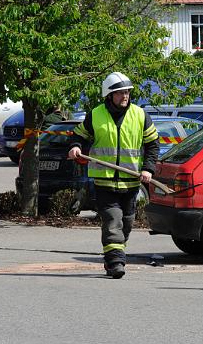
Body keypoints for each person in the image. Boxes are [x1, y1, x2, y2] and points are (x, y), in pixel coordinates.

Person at [67, 72, 158, 279]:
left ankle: (112, 257)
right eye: (119, 93)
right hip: (104, 180)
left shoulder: (140, 115)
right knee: (112, 220)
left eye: (126, 92)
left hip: (131, 181)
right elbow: (78, 136)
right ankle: (117, 262)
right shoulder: (95, 115)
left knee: (126, 222)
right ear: (109, 95)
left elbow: (152, 145)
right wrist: (74, 147)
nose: (124, 96)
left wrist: (148, 169)